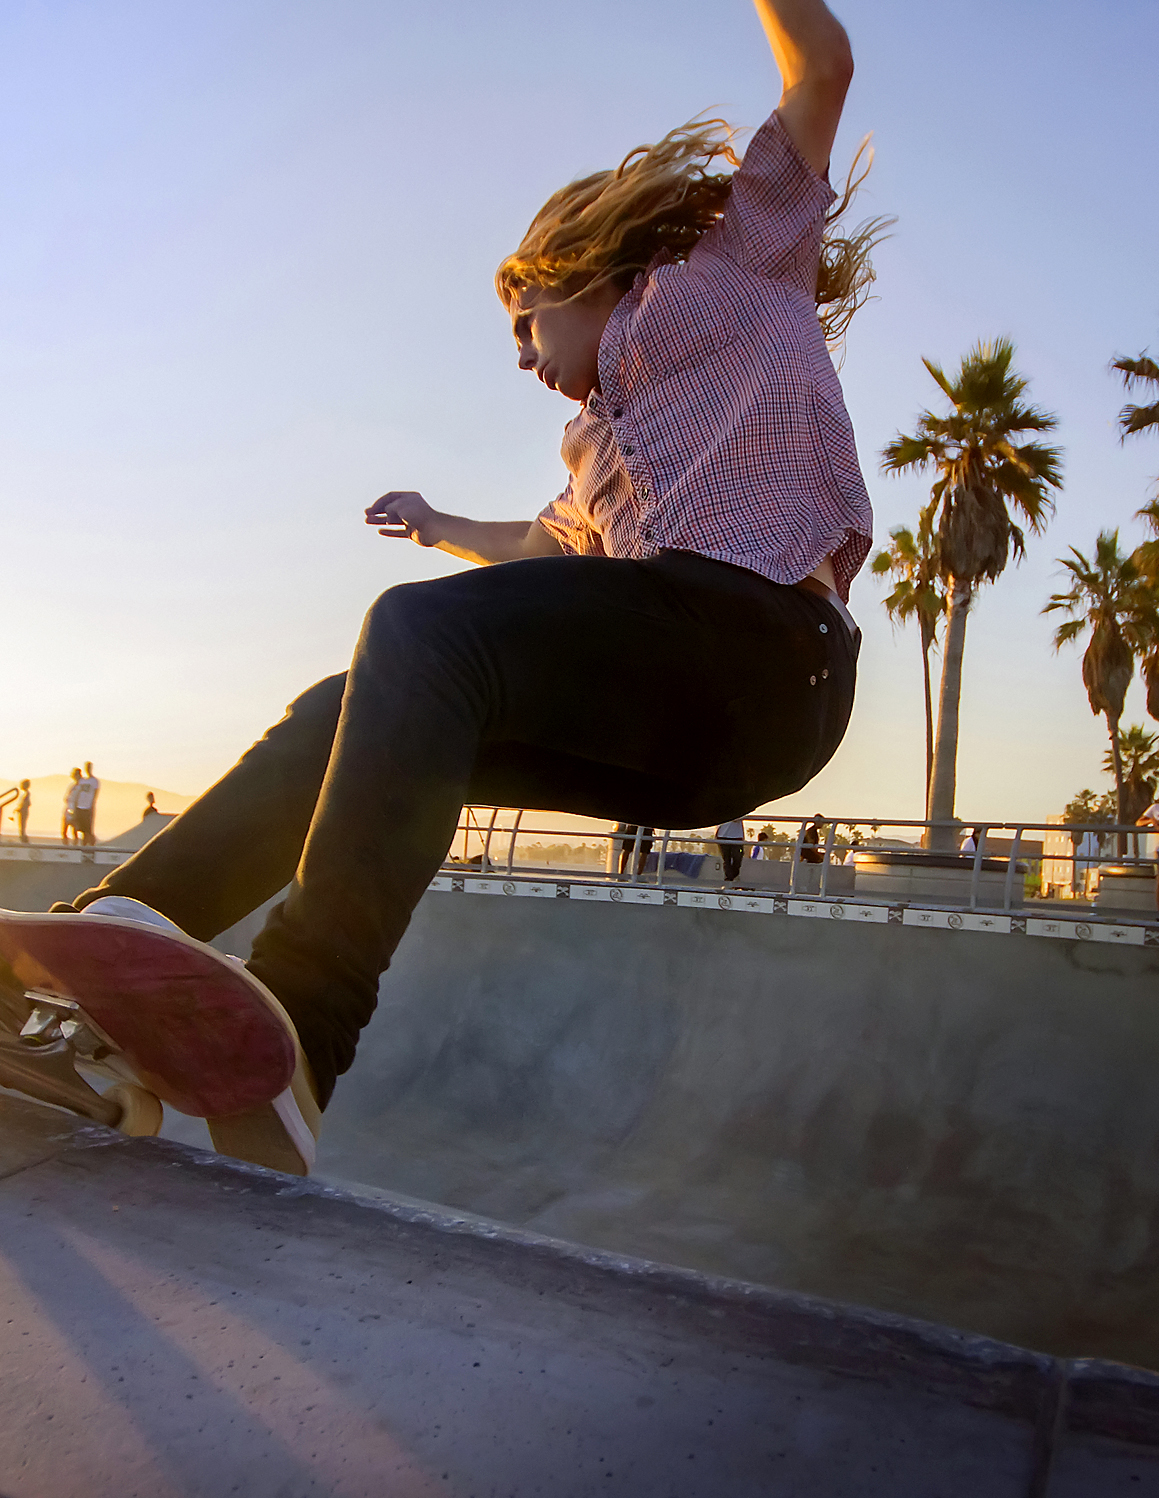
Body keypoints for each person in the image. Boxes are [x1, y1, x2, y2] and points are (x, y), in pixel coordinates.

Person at [53, 0, 872, 1176]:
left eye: (528, 325)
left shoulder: (740, 257)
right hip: (681, 726)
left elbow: (822, 66)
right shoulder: (591, 455)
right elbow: (541, 558)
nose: (526, 361)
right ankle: (112, 939)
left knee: (418, 640)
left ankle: (300, 1022)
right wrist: (439, 527)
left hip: (768, 652)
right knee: (355, 706)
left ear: (579, 272)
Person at [71, 761, 101, 847]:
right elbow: (77, 793)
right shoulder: (82, 781)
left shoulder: (94, 781)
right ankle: (78, 844)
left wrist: (92, 804)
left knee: (87, 830)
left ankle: (89, 845)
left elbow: (95, 794)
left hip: (87, 807)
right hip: (79, 806)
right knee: (78, 827)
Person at [716, 817, 746, 882]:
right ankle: (729, 878)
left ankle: (732, 876)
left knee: (738, 856)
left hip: (737, 836)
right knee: (726, 859)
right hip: (722, 835)